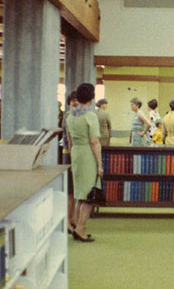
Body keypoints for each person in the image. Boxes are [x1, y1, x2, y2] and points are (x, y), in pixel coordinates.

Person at [66, 83, 103, 242]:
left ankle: (78, 225)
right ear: (92, 98)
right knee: (89, 194)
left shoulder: (71, 116)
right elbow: (94, 142)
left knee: (80, 192)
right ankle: (81, 228)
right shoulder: (90, 116)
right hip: (88, 154)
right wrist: (100, 164)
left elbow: (69, 140)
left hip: (76, 154)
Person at [62, 91, 79, 234]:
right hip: (69, 155)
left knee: (73, 190)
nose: (75, 103)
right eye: (73, 100)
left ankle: (71, 217)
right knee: (69, 191)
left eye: (77, 100)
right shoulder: (68, 116)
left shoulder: (76, 116)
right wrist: (74, 159)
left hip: (74, 155)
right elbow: (70, 139)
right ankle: (67, 220)